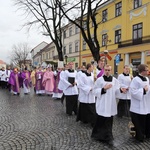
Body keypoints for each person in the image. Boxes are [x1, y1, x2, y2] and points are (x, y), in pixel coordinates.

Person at [91, 64, 121, 145]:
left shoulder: (114, 80)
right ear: (104, 70)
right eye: (106, 70)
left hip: (111, 103)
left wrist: (121, 90)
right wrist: (104, 89)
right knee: (101, 120)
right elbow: (94, 91)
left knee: (109, 120)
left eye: (109, 70)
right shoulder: (99, 80)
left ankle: (108, 136)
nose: (107, 72)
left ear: (111, 71)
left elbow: (117, 91)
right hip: (102, 103)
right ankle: (99, 135)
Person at [129, 64, 150, 142]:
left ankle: (147, 134)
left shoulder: (147, 79)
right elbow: (133, 91)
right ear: (142, 71)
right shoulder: (135, 80)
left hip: (146, 103)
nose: (148, 71)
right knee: (139, 121)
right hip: (138, 105)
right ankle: (140, 136)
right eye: (146, 70)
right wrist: (143, 90)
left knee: (147, 120)